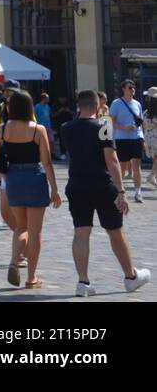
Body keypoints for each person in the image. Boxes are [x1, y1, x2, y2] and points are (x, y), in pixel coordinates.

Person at [59, 90, 150, 296]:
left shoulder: (66, 128)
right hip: (101, 184)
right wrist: (121, 190)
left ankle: (83, 282)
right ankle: (130, 276)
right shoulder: (104, 125)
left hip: (77, 184)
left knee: (81, 232)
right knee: (115, 231)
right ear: (97, 106)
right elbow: (111, 159)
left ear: (79, 106)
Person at [0, 89, 60, 288]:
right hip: (34, 177)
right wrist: (54, 189)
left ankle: (14, 261)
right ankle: (31, 278)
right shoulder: (38, 130)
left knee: (20, 226)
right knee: (35, 231)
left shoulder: (2, 129)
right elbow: (47, 162)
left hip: (13, 178)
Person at [109, 79, 145, 202]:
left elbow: (141, 121)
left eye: (134, 87)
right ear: (123, 89)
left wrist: (143, 137)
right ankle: (119, 191)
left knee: (136, 165)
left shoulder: (137, 104)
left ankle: (138, 192)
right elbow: (111, 121)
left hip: (136, 137)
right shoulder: (116, 103)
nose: (132, 89)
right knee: (122, 166)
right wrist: (124, 127)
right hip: (122, 138)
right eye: (130, 87)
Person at [144, 88, 157, 189]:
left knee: (156, 157)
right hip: (156, 135)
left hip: (148, 136)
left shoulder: (146, 112)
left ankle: (152, 175)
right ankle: (152, 175)